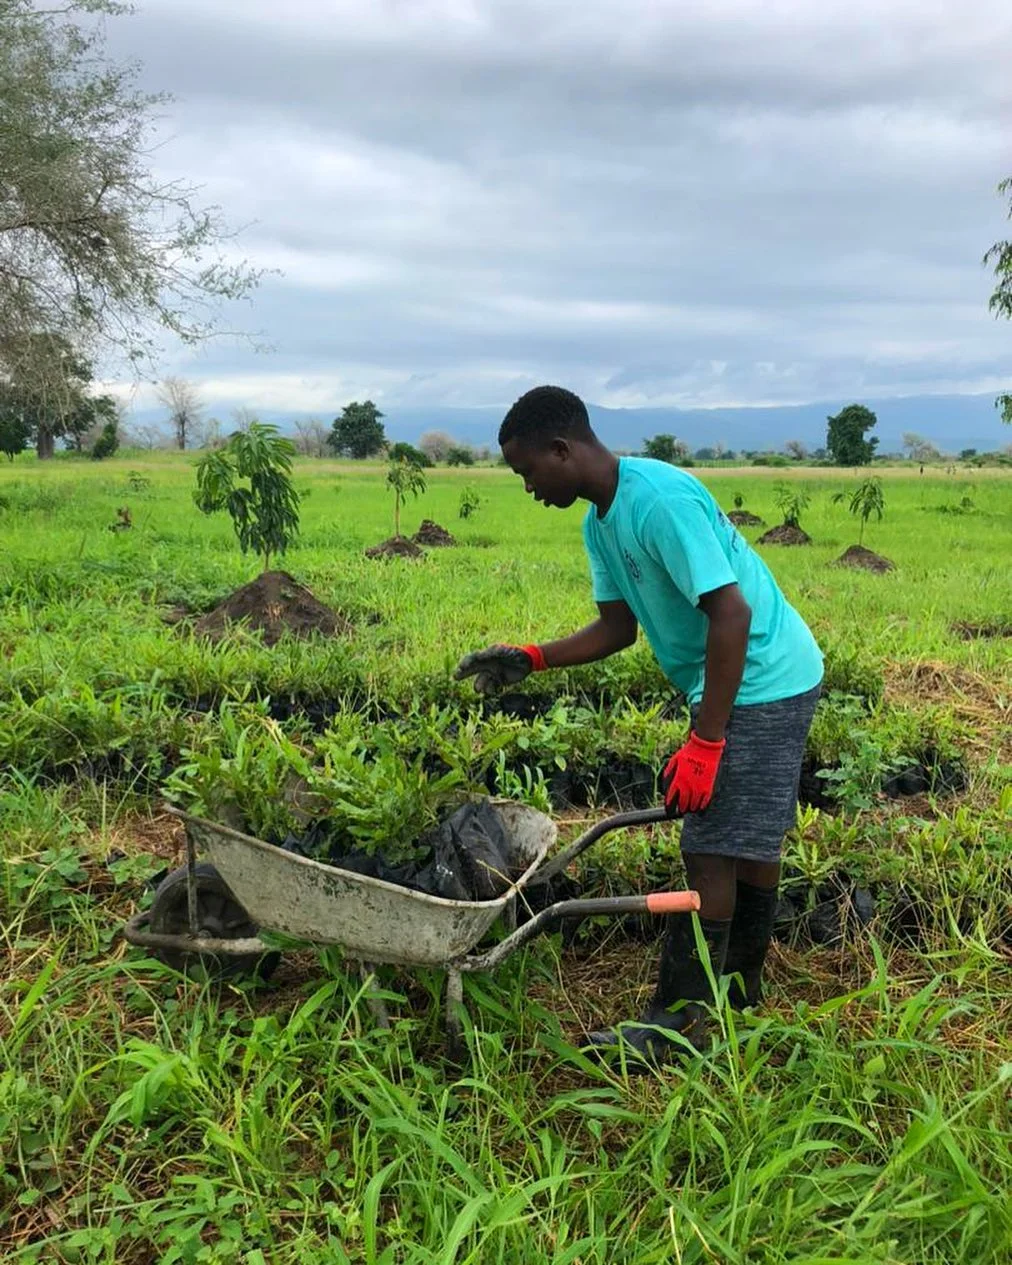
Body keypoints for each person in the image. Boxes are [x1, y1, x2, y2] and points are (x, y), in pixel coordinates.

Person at [455, 385, 824, 1064]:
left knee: (709, 845)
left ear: (562, 450)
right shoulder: (601, 521)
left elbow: (731, 614)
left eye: (528, 471)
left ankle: (677, 1025)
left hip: (764, 676)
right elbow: (617, 628)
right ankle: (737, 989)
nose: (528, 486)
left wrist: (706, 743)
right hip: (745, 676)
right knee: (746, 840)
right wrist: (531, 658)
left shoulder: (657, 501)